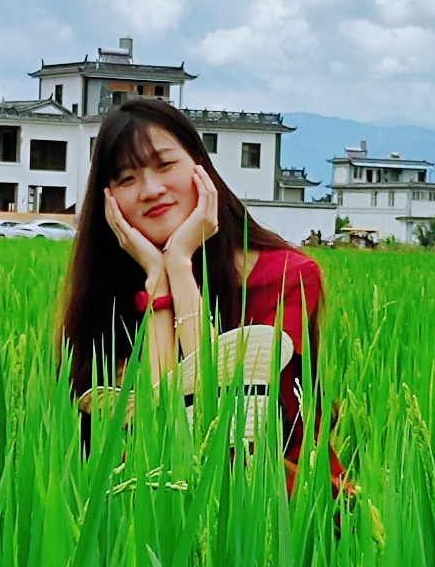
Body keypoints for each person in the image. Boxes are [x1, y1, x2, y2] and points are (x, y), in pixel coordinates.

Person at [58, 98, 343, 495]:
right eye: (126, 179)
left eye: (164, 165)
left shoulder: (284, 277)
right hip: (159, 499)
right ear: (108, 201)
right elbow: (152, 428)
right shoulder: (106, 293)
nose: (151, 190)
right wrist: (158, 283)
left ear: (201, 168)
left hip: (282, 501)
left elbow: (228, 417)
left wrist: (178, 265)